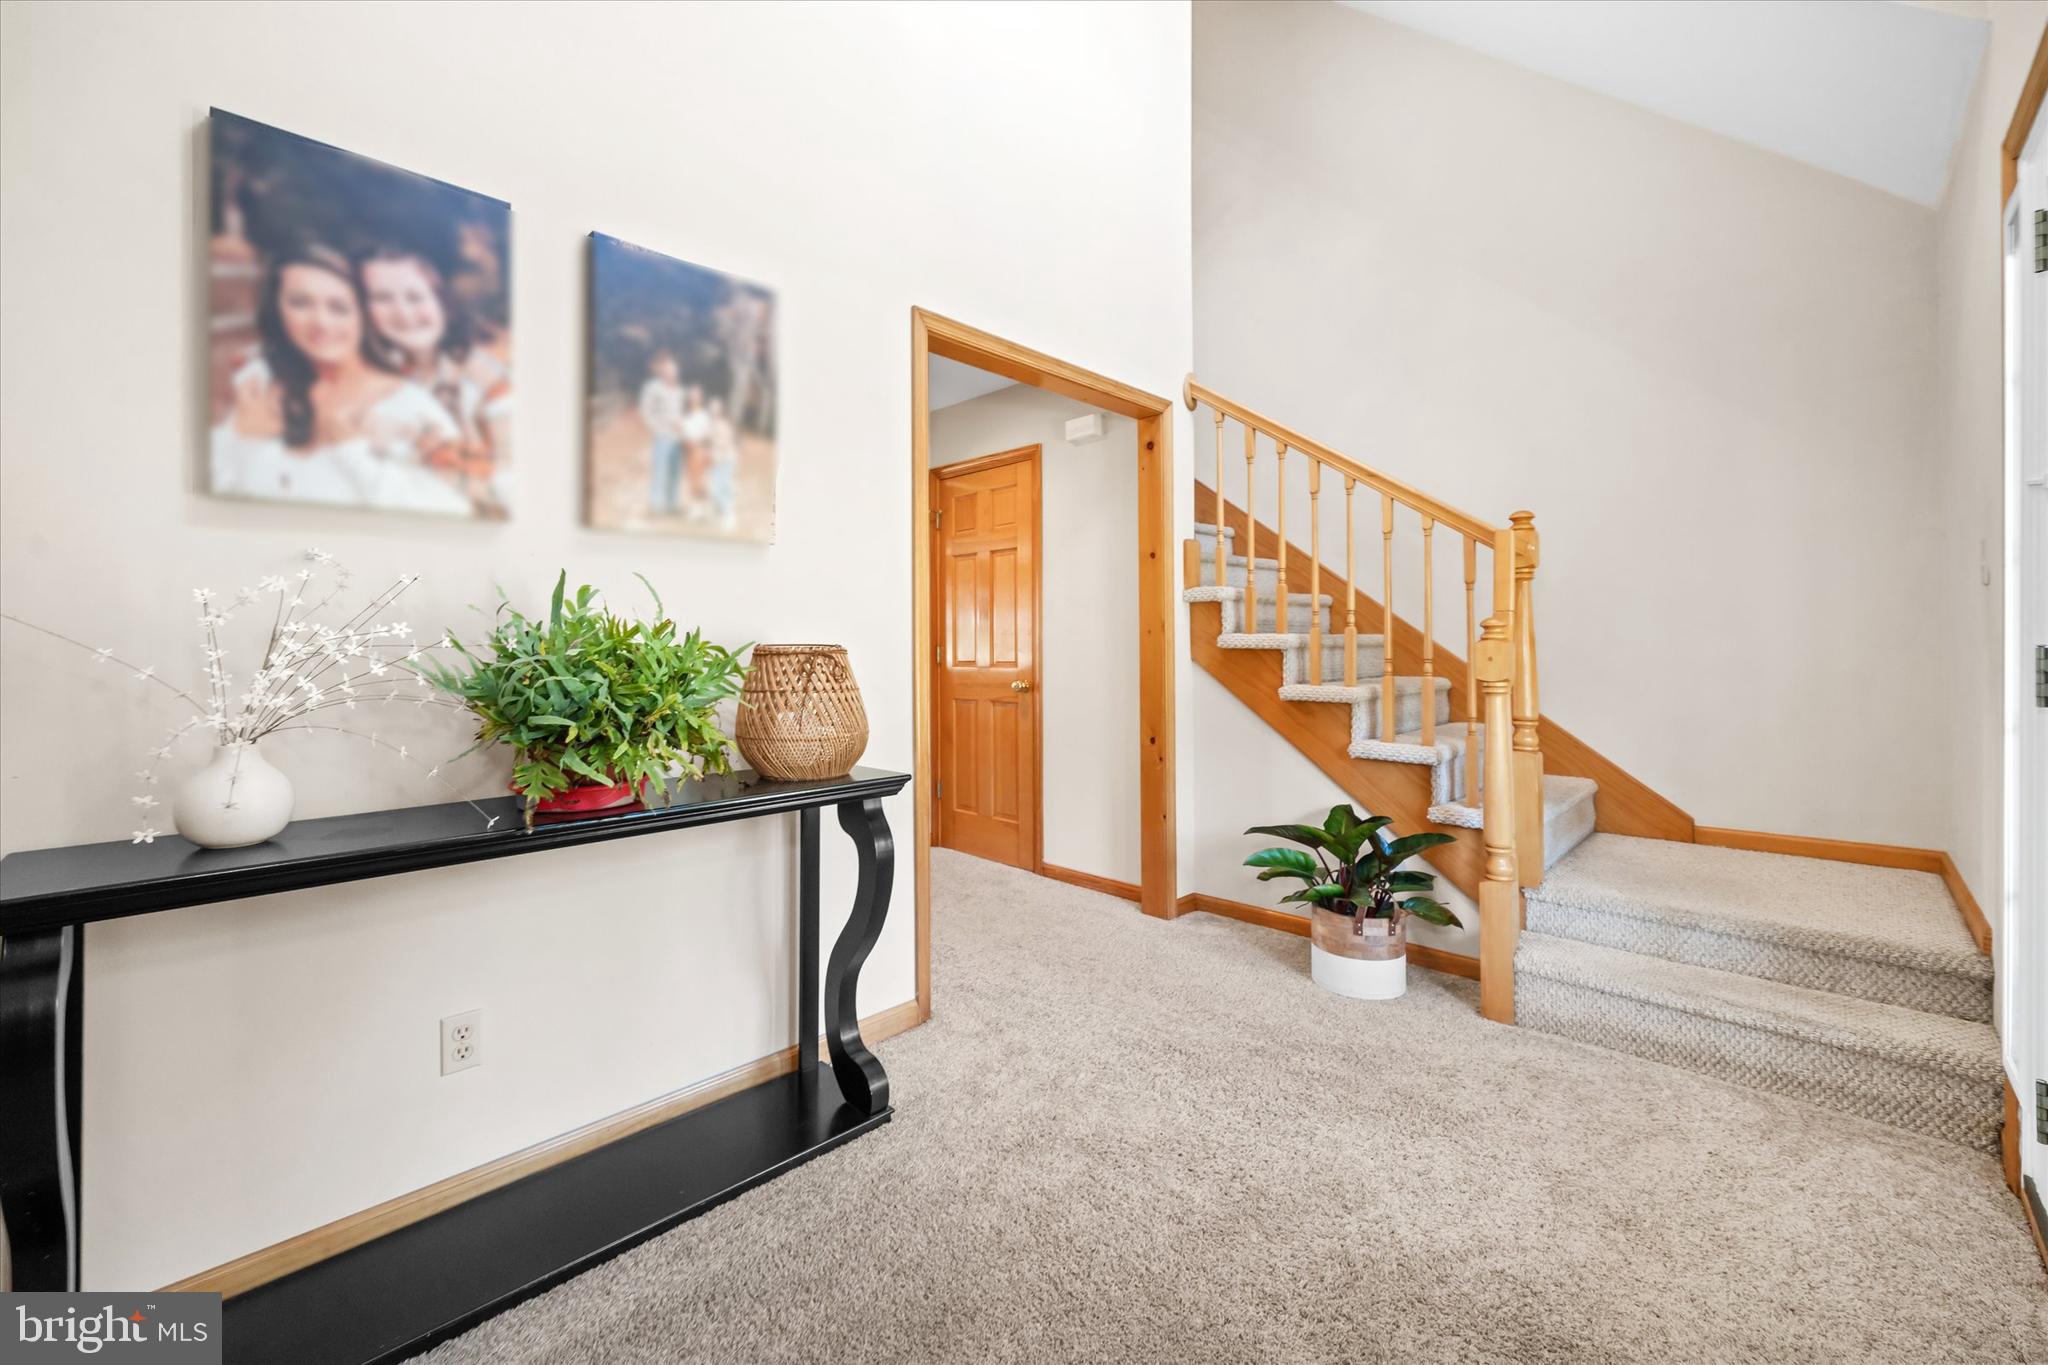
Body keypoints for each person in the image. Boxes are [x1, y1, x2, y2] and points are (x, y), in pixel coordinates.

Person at [212, 243, 467, 516]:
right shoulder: (261, 388)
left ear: (363, 316)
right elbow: (212, 495)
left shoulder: (411, 407)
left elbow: (454, 510)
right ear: (277, 310)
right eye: (300, 303)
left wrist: (355, 453)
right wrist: (243, 439)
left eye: (339, 307)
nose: (321, 322)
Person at [357, 247, 513, 517]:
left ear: (441, 302)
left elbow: (511, 482)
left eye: (415, 297)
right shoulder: (359, 381)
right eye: (382, 298)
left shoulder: (485, 377)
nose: (403, 312)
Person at [638, 351, 687, 516]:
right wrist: (656, 429)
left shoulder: (679, 390)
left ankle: (672, 505)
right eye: (668, 370)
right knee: (659, 471)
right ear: (663, 371)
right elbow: (646, 411)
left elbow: (680, 413)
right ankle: (656, 506)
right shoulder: (653, 388)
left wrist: (683, 427)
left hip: (678, 438)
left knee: (675, 472)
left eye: (674, 370)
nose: (672, 373)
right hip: (663, 437)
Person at [678, 385, 713, 520]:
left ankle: (705, 509)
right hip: (688, 451)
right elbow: (683, 435)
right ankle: (695, 508)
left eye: (696, 397)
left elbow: (708, 436)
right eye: (691, 397)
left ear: (700, 399)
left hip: (699, 450)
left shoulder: (704, 416)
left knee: (700, 481)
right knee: (691, 480)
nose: (694, 399)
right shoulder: (686, 417)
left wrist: (706, 452)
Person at [706, 395, 740, 531]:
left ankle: (729, 516)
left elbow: (726, 443)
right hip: (716, 460)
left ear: (720, 411)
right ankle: (718, 516)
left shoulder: (724, 425)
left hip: (726, 460)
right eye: (711, 409)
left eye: (716, 410)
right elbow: (710, 444)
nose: (713, 412)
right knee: (715, 488)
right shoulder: (711, 425)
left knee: (723, 487)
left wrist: (717, 455)